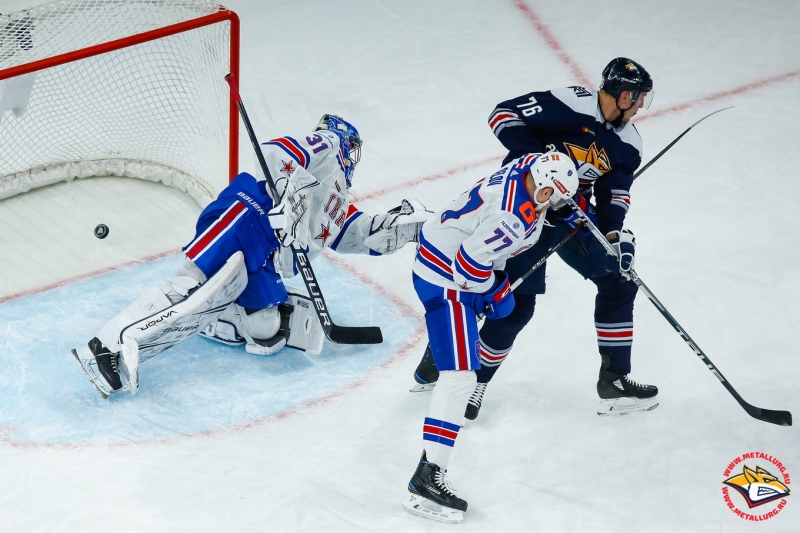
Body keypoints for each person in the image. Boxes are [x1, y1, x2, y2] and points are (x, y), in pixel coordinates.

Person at [72, 114, 431, 398]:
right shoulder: (328, 146)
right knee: (186, 285)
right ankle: (102, 346)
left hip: (266, 255)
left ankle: (212, 314)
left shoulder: (337, 201)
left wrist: (409, 227)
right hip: (247, 213)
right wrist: (289, 203)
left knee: (267, 331)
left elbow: (358, 234)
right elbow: (277, 153)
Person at [410, 57, 659, 418]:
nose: (640, 107)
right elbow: (503, 115)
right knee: (513, 305)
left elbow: (615, 194)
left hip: (572, 215)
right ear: (624, 95)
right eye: (638, 99)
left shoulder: (629, 143)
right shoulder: (571, 103)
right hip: (525, 207)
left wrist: (614, 235)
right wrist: (538, 159)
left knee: (619, 280)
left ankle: (613, 381)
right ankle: (469, 376)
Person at [403, 151, 578, 523]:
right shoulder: (512, 218)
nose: (559, 204)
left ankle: (441, 351)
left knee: (466, 356)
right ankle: (426, 477)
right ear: (544, 186)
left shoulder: (527, 167)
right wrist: (493, 290)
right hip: (446, 280)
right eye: (557, 197)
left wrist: (563, 206)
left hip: (441, 257)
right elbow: (468, 267)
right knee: (461, 378)